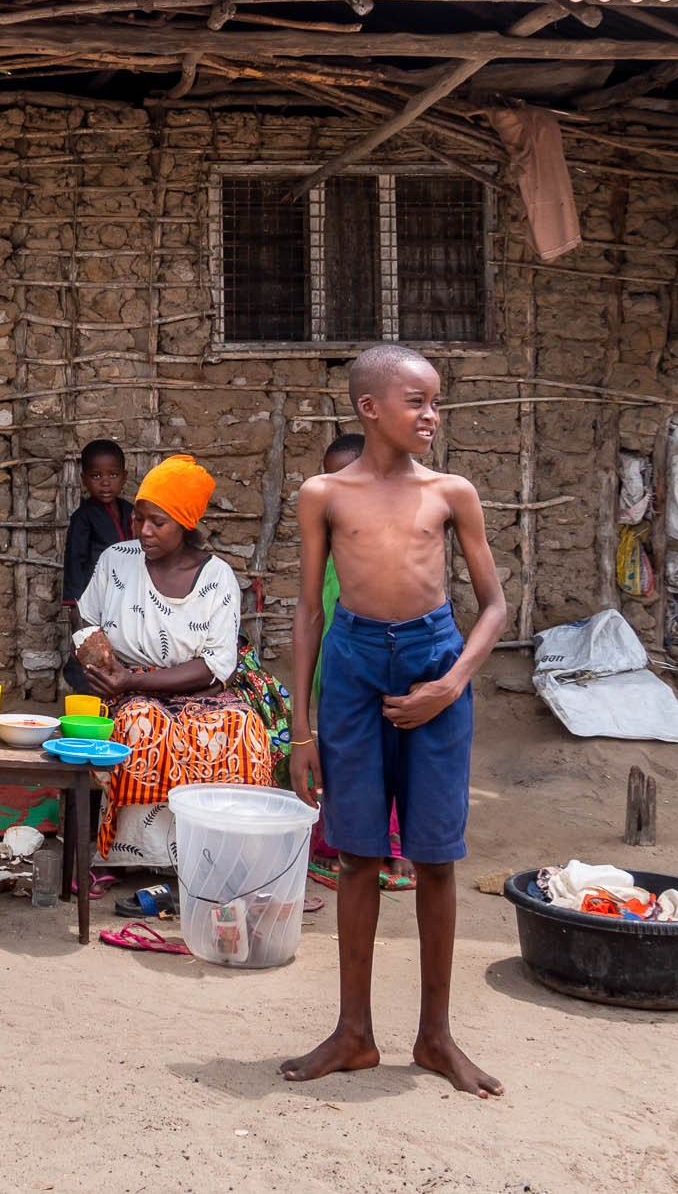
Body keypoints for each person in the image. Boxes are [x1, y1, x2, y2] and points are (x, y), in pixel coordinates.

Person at [283, 344, 507, 1099]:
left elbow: (494, 606)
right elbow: (308, 612)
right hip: (351, 666)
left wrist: (449, 684)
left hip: (433, 658)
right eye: (418, 401)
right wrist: (302, 730)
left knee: (436, 856)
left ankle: (436, 1036)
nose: (432, 415)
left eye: (436, 401)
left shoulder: (451, 493)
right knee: (356, 853)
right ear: (370, 408)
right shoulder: (324, 494)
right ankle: (354, 1033)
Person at [71, 454, 273, 866]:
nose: (144, 530)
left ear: (185, 524)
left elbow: (216, 665)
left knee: (241, 727)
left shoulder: (216, 577)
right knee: (141, 723)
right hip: (126, 686)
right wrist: (98, 658)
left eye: (158, 522)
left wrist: (133, 681)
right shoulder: (117, 561)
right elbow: (84, 615)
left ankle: (220, 858)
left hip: (198, 687)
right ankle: (136, 857)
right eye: (138, 519)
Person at [308, 432, 414, 888]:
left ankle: (396, 846)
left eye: (347, 480)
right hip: (336, 667)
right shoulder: (323, 544)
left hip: (388, 666)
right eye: (329, 480)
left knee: (392, 756)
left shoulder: (393, 540)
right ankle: (343, 844)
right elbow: (313, 611)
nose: (336, 493)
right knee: (345, 758)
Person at [62, 439, 134, 694]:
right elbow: (75, 561)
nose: (105, 483)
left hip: (126, 595)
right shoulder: (83, 517)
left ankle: (120, 692)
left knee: (121, 646)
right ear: (84, 479)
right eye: (96, 476)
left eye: (113, 475)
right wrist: (75, 606)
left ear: (124, 477)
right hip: (94, 597)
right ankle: (86, 693)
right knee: (90, 647)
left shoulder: (131, 512)